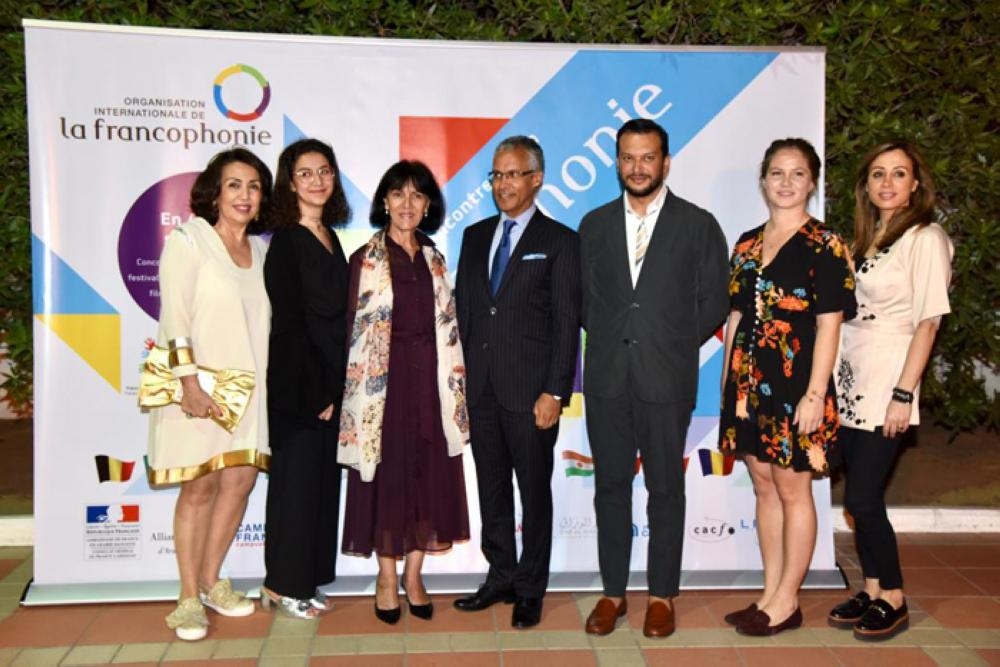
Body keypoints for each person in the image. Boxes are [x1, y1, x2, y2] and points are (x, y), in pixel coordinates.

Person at [579, 119, 729, 638]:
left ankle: (662, 594)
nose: (637, 167)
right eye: (627, 157)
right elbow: (583, 300)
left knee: (666, 489)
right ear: (616, 162)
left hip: (667, 377)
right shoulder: (594, 225)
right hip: (607, 380)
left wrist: (668, 337)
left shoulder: (698, 224)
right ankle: (613, 593)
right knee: (610, 488)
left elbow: (714, 299)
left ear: (665, 162)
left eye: (648, 158)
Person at [719, 138, 856, 636]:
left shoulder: (825, 244)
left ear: (812, 182)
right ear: (763, 179)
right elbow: (735, 316)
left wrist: (816, 394)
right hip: (748, 387)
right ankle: (770, 593)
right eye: (777, 172)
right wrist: (727, 387)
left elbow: (830, 323)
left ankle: (788, 599)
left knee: (794, 488)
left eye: (797, 173)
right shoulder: (747, 243)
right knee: (763, 484)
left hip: (798, 386)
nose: (786, 182)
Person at [454, 136, 581, 629]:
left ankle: (531, 587)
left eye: (513, 174)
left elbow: (567, 322)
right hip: (480, 390)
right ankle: (500, 575)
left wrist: (554, 391)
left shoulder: (560, 241)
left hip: (532, 397)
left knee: (534, 491)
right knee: (491, 489)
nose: (503, 184)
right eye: (496, 175)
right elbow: (467, 310)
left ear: (536, 179)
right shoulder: (474, 236)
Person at [828, 141, 952, 641]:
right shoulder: (869, 238)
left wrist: (905, 394)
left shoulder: (926, 237)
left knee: (862, 494)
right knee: (859, 499)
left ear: (915, 183)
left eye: (898, 174)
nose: (887, 183)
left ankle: (895, 597)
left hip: (890, 380)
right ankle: (874, 588)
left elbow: (928, 322)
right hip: (853, 376)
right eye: (878, 174)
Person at [147, 148, 273, 641]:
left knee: (239, 482)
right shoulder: (188, 241)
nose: (244, 195)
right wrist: (189, 384)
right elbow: (173, 318)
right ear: (215, 193)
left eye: (254, 186)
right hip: (198, 388)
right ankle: (185, 598)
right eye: (235, 185)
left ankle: (211, 580)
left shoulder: (263, 250)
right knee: (197, 488)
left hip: (250, 390)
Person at [338, 160, 470, 625]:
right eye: (398, 194)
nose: (407, 204)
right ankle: (386, 578)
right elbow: (348, 335)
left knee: (428, 479)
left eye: (417, 195)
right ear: (384, 202)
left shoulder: (435, 259)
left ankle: (415, 576)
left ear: (428, 204)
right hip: (383, 393)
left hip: (432, 386)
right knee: (388, 481)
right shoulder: (365, 260)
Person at [261, 139, 350, 618]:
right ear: (289, 183)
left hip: (332, 387)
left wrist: (337, 390)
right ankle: (283, 585)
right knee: (295, 489)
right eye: (305, 173)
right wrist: (317, 392)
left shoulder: (331, 237)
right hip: (301, 389)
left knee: (319, 487)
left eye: (324, 171)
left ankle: (307, 579)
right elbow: (291, 327)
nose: (316, 181)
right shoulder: (287, 242)